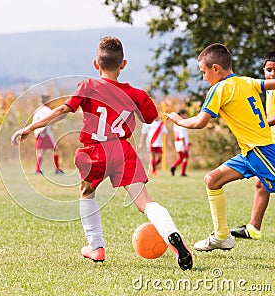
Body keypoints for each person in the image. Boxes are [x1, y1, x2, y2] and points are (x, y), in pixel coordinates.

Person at [12, 37, 193, 270]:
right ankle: (171, 233)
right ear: (123, 64)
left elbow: (61, 110)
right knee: (145, 202)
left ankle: (96, 247)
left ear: (96, 64)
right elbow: (151, 117)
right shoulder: (136, 94)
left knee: (86, 192)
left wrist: (29, 128)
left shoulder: (88, 86)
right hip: (122, 149)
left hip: (94, 150)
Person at [165, 43, 275, 252]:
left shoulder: (219, 89)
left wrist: (178, 120)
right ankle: (221, 236)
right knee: (212, 180)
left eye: (204, 72)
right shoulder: (246, 81)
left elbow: (199, 122)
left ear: (215, 69)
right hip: (249, 153)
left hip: (262, 151)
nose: (204, 77)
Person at [230, 50, 275, 240]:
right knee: (260, 183)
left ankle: (253, 228)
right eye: (268, 70)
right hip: (269, 141)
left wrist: (264, 122)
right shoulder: (268, 89)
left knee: (263, 182)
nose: (271, 74)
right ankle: (253, 229)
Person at [32, 94, 64, 175]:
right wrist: (43, 130)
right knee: (55, 150)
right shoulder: (46, 110)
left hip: (37, 133)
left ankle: (37, 170)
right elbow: (45, 121)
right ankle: (57, 169)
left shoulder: (38, 110)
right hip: (44, 133)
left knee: (40, 152)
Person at [170, 109, 190, 177]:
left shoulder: (175, 123)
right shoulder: (182, 123)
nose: (186, 116)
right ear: (181, 115)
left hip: (177, 142)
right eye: (185, 114)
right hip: (181, 143)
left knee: (181, 157)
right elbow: (182, 135)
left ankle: (174, 167)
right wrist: (184, 145)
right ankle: (181, 171)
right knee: (185, 157)